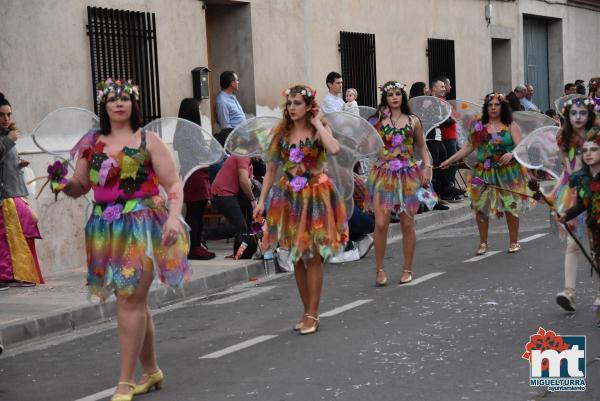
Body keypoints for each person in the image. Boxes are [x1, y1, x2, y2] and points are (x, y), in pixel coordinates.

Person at [60, 79, 191, 401]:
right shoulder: (91, 143)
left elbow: (173, 183)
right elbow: (79, 186)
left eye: (125, 98)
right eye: (111, 100)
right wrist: (60, 182)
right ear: (103, 106)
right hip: (106, 230)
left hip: (143, 226)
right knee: (133, 300)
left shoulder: (148, 140)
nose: (118, 104)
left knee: (129, 299)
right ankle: (151, 371)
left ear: (134, 104)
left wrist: (174, 217)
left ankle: (125, 381)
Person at [254, 84, 348, 335]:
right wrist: (261, 201)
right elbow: (271, 171)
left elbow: (335, 148)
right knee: (296, 255)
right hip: (289, 197)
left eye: (297, 103)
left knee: (312, 255)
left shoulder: (319, 129)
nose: (292, 107)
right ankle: (307, 310)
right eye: (290, 103)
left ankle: (313, 314)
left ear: (308, 107)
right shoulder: (281, 134)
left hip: (316, 195)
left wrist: (318, 123)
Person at [440, 93, 533, 254]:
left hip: (507, 172)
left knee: (510, 205)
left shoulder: (511, 125)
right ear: (486, 107)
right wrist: (450, 160)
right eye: (490, 105)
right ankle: (483, 243)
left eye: (497, 105)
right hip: (483, 171)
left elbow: (521, 147)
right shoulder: (479, 126)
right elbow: (469, 147)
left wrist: (511, 154)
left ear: (502, 107)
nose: (494, 108)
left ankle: (513, 241)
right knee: (480, 206)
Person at [367, 81, 434, 286]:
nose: (394, 97)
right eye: (390, 94)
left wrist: (427, 167)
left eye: (398, 93)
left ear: (403, 97)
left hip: (408, 175)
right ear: (384, 98)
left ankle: (407, 268)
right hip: (383, 174)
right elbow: (368, 145)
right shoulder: (376, 120)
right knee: (380, 223)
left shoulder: (413, 120)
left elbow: (422, 147)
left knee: (407, 223)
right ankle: (379, 270)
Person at [549, 96, 596, 312]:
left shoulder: (596, 136)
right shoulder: (563, 137)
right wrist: (554, 191)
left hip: (595, 191)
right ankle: (569, 292)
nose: (577, 117)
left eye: (582, 113)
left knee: (596, 243)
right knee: (573, 242)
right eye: (573, 113)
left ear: (589, 114)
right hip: (572, 192)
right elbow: (566, 169)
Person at [0, 92, 44, 290]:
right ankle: (9, 275)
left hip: (15, 192)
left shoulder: (6, 136)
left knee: (26, 226)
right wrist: (9, 139)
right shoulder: (6, 137)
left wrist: (18, 163)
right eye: (2, 115)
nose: (6, 118)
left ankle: (18, 273)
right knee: (8, 235)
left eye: (9, 114)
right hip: (5, 195)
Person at [560, 126, 600, 325]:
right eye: (585, 151)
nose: (588, 154)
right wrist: (565, 215)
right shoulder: (585, 179)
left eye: (593, 150)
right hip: (596, 227)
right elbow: (582, 205)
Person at [177, 98, 215, 260]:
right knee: (195, 213)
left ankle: (194, 245)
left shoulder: (184, 130)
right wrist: (210, 150)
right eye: (198, 110)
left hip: (194, 173)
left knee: (195, 212)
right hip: (195, 175)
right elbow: (201, 153)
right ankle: (193, 247)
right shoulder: (188, 131)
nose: (200, 113)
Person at [203, 154, 255, 241]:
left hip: (228, 194)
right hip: (223, 194)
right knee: (240, 227)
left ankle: (240, 250)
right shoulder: (243, 156)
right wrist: (253, 199)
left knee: (243, 225)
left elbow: (247, 181)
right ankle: (202, 234)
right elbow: (243, 181)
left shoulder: (248, 160)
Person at [330, 172, 374, 263]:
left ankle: (348, 250)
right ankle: (361, 238)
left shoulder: (334, 173)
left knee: (333, 204)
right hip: (366, 215)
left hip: (370, 217)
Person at [427, 78, 456, 202]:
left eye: (445, 86)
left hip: (439, 138)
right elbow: (435, 119)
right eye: (442, 86)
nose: (444, 89)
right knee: (436, 166)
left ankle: (445, 189)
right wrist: (447, 119)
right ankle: (440, 192)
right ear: (434, 89)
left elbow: (444, 119)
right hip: (432, 138)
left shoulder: (440, 102)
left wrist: (448, 119)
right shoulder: (429, 102)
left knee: (443, 164)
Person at [214, 70, 246, 146]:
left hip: (243, 137)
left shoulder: (231, 96)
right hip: (236, 141)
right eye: (237, 80)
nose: (238, 82)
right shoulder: (222, 101)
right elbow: (225, 126)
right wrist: (236, 141)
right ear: (232, 83)